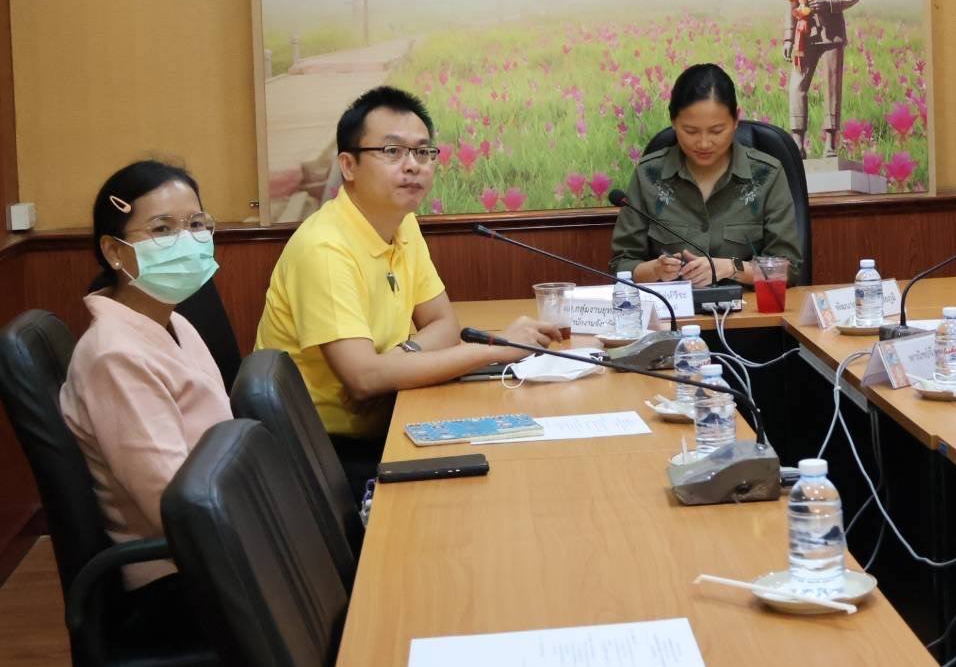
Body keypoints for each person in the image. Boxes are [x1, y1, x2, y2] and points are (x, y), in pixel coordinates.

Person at [255, 86, 560, 490]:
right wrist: (494, 348)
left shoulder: (402, 224)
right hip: (325, 458)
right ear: (348, 165)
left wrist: (399, 358)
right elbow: (364, 379)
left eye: (422, 152)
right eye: (392, 152)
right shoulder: (324, 248)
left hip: (387, 417)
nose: (412, 165)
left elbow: (444, 323)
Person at [59, 161, 231, 630]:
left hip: (220, 536)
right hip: (178, 576)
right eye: (162, 228)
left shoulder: (174, 322)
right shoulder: (113, 356)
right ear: (115, 251)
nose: (186, 239)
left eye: (196, 225)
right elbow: (172, 506)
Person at [611, 63, 803, 287]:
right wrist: (655, 270)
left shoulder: (766, 175)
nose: (703, 143)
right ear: (673, 122)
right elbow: (621, 265)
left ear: (735, 120)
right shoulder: (649, 175)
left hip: (748, 317)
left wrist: (731, 268)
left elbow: (789, 269)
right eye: (690, 131)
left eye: (716, 131)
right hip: (673, 316)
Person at [784, 0, 859, 158]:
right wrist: (787, 36)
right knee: (796, 86)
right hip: (803, 37)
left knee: (831, 87)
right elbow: (791, 0)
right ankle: (797, 143)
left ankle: (830, 143)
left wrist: (827, 3)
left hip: (831, 34)